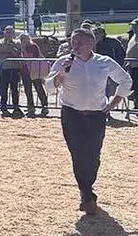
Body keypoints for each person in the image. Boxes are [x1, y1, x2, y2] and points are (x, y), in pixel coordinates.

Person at [45, 28, 132, 215]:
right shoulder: (63, 62)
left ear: (91, 44)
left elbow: (126, 81)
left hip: (96, 115)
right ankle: (86, 193)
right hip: (71, 114)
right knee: (77, 153)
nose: (74, 46)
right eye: (72, 42)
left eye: (79, 42)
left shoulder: (104, 63)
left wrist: (114, 103)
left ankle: (87, 189)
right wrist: (61, 75)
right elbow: (49, 87)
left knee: (93, 155)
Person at [19, 32, 49, 117]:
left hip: (34, 70)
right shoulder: (20, 47)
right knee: (27, 89)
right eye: (21, 39)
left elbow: (31, 57)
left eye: (25, 38)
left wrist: (24, 50)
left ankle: (44, 105)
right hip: (25, 71)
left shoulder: (33, 46)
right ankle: (30, 106)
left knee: (38, 88)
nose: (23, 41)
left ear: (28, 38)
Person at [0, 26, 24, 117]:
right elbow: (0, 53)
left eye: (11, 32)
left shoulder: (18, 43)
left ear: (13, 33)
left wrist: (10, 48)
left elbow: (17, 54)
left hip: (15, 68)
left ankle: (16, 107)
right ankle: (3, 107)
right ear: (4, 33)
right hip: (4, 69)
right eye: (7, 32)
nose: (9, 34)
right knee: (3, 88)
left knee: (14, 89)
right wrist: (10, 51)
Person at [127, 18, 138, 111]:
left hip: (137, 67)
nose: (133, 28)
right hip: (132, 66)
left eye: (135, 26)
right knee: (133, 88)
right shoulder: (134, 36)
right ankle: (136, 105)